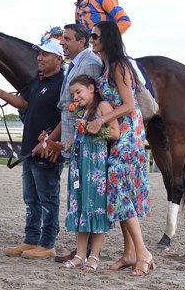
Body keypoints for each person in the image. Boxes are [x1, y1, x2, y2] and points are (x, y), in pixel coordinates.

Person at [0, 37, 65, 260]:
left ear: (58, 59)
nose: (39, 58)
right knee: (31, 198)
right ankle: (30, 239)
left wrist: (48, 141)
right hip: (29, 149)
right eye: (39, 54)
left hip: (47, 151)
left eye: (45, 54)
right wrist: (0, 93)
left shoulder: (63, 84)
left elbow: (65, 118)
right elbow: (25, 103)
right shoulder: (38, 80)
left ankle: (47, 243)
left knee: (48, 198)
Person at [87, 21, 155, 276]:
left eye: (95, 35)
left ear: (108, 39)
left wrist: (100, 120)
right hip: (119, 135)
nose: (91, 39)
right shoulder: (106, 67)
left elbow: (129, 105)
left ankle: (143, 252)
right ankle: (129, 253)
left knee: (118, 184)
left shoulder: (119, 66)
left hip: (129, 135)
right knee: (121, 189)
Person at [43, 24, 102, 263]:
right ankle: (81, 249)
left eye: (67, 39)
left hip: (86, 140)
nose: (62, 43)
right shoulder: (77, 61)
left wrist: (73, 136)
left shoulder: (89, 62)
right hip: (74, 138)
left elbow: (93, 102)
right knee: (77, 194)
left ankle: (88, 251)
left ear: (82, 41)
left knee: (87, 196)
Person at [60, 75, 119, 271]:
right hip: (78, 165)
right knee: (80, 207)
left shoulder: (102, 107)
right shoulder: (83, 110)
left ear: (91, 88)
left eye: (79, 92)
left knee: (95, 208)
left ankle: (94, 256)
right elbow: (83, 131)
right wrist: (71, 139)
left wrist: (92, 129)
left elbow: (115, 133)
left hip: (95, 167)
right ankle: (79, 254)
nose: (75, 97)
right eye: (73, 94)